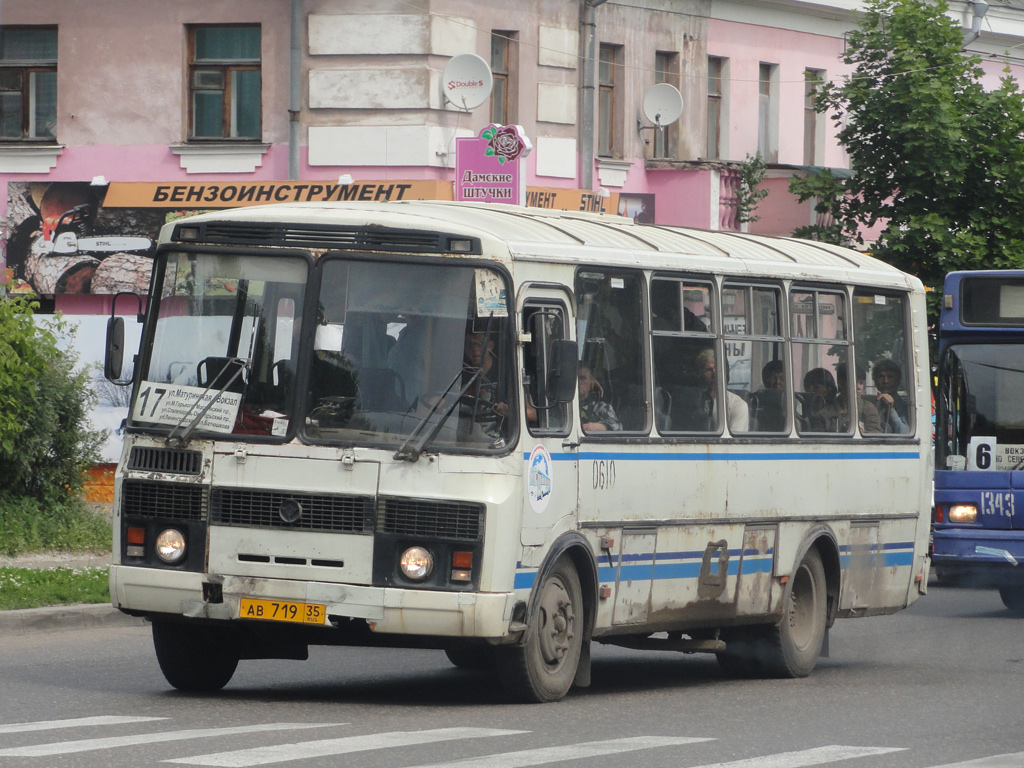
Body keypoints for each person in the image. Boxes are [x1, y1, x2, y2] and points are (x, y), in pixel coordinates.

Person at [697, 348, 749, 433]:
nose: (714, 374)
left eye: (717, 369)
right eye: (709, 370)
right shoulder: (692, 401)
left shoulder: (737, 405)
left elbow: (732, 443)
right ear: (701, 373)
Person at [578, 364, 621, 432]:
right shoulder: (563, 407)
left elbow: (617, 427)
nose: (579, 382)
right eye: (576, 379)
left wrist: (599, 427)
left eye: (583, 378)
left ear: (590, 384)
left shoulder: (601, 407)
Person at [872, 358, 910, 434]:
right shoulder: (870, 405)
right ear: (875, 381)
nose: (885, 381)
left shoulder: (905, 406)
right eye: (881, 376)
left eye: (890, 377)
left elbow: (904, 433)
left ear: (898, 381)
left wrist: (891, 410)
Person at [803, 367, 842, 432]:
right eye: (808, 388)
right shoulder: (804, 410)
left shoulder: (837, 410)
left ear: (829, 389)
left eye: (817, 387)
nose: (811, 391)